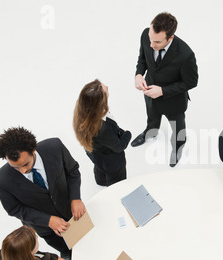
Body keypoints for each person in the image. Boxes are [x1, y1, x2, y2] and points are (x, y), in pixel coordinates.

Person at [0, 127, 86, 260]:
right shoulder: (0, 182)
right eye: (16, 168)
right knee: (66, 248)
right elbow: (15, 209)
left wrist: (75, 198)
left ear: (33, 150)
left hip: (72, 211)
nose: (23, 171)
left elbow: (72, 171)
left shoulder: (55, 147)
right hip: (45, 227)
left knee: (87, 239)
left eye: (25, 164)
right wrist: (48, 220)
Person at [132, 12, 199, 167]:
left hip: (174, 101)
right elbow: (142, 59)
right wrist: (139, 75)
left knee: (178, 129)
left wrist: (163, 91)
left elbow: (191, 82)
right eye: (150, 39)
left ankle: (178, 146)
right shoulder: (146, 35)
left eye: (156, 42)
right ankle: (151, 132)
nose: (151, 45)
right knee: (152, 117)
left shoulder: (186, 55)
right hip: (149, 92)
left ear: (170, 38)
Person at [73, 79, 132, 186]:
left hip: (98, 154)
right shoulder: (102, 128)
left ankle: (101, 180)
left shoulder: (83, 110)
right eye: (107, 89)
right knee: (117, 185)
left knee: (100, 169)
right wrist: (127, 134)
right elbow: (119, 146)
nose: (108, 86)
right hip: (112, 162)